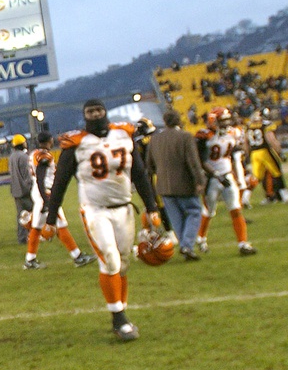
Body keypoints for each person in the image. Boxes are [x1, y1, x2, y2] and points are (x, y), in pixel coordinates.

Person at [43, 99, 161, 341]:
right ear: (85, 115)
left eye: (98, 110)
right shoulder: (76, 144)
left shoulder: (123, 135)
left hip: (124, 207)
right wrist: (51, 217)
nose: (95, 114)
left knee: (124, 262)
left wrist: (151, 206)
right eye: (90, 111)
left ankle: (121, 309)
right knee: (109, 258)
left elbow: (139, 173)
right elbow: (60, 182)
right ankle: (119, 318)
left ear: (104, 112)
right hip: (94, 209)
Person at [22, 132, 95, 270]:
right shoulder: (44, 155)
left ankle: (30, 260)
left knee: (37, 227)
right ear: (49, 140)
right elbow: (40, 177)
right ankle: (77, 257)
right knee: (60, 225)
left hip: (40, 192)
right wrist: (46, 199)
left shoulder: (34, 153)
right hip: (46, 192)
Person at [194, 107, 256, 256]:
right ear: (213, 121)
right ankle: (201, 238)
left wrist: (237, 174)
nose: (227, 123)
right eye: (223, 121)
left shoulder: (231, 134)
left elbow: (233, 155)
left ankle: (243, 243)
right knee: (208, 211)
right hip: (211, 179)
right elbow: (201, 160)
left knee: (235, 209)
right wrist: (216, 174)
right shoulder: (205, 136)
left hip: (227, 176)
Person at [145, 109, 207, 260]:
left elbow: (149, 165)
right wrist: (200, 181)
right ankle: (187, 245)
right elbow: (193, 161)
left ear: (165, 121)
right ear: (179, 121)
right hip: (184, 183)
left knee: (176, 218)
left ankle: (186, 246)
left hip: (163, 186)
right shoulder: (185, 137)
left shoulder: (155, 139)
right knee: (194, 212)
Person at [244, 112, 288, 203]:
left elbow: (245, 143)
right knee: (276, 172)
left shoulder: (249, 126)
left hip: (254, 153)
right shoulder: (265, 125)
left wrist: (247, 154)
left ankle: (245, 197)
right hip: (264, 151)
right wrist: (279, 152)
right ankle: (285, 196)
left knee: (256, 177)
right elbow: (271, 139)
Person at [8, 133, 33, 243]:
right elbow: (27, 175)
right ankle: (38, 235)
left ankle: (22, 238)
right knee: (34, 214)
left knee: (21, 216)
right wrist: (31, 188)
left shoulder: (11, 157)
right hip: (26, 191)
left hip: (16, 191)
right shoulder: (24, 157)